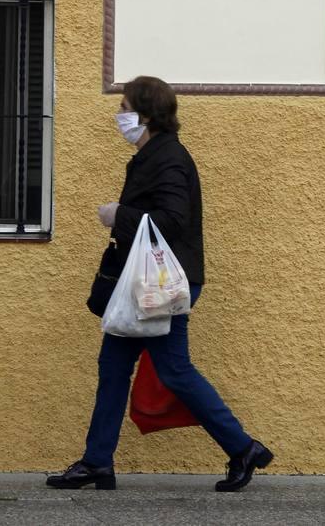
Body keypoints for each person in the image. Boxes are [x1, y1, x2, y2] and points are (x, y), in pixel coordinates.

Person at [46, 76, 273, 492]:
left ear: (145, 114)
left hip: (160, 286)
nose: (119, 116)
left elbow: (172, 220)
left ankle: (243, 447)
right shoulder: (154, 154)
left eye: (124, 107)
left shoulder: (167, 157)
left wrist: (120, 215)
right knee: (114, 368)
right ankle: (98, 461)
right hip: (146, 287)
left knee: (174, 370)